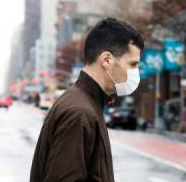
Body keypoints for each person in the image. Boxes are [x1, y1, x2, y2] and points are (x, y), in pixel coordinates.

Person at [30, 18, 144, 182]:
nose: (135, 72)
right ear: (106, 60)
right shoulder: (80, 113)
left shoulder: (83, 104)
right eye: (132, 64)